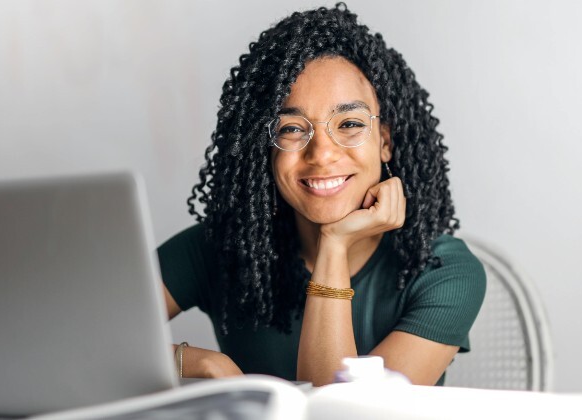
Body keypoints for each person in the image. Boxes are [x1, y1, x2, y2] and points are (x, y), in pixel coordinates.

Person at [157, 3, 485, 387]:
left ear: (385, 141)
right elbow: (78, 337)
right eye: (292, 129)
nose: (323, 154)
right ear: (265, 147)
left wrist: (334, 244)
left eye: (349, 123)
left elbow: (343, 413)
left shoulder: (444, 272)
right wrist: (202, 363)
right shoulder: (219, 247)